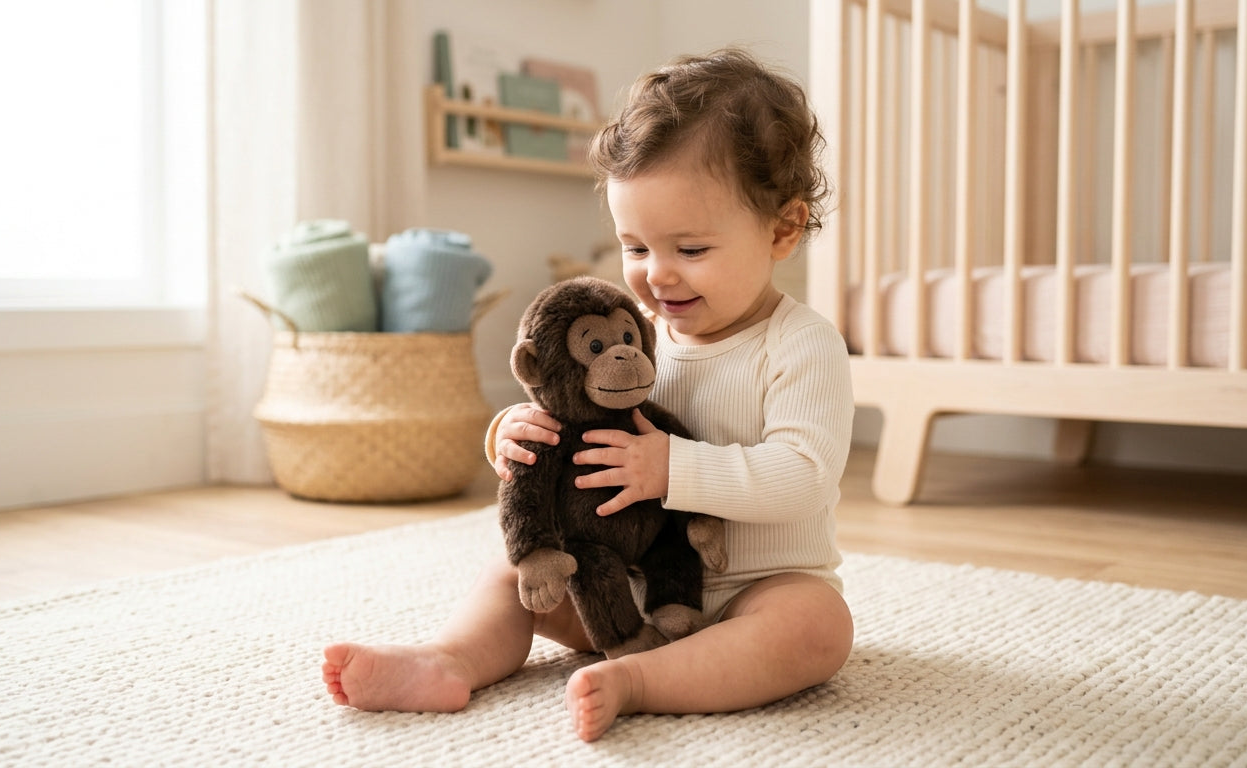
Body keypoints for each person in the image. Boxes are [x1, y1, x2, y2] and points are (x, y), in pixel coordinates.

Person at [322, 46, 855, 742]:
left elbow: (803, 480)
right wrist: (514, 433)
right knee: (520, 575)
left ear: (783, 228)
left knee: (817, 629)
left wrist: (671, 468)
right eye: (635, 247)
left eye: (690, 250)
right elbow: (573, 414)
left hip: (756, 590)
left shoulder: (802, 344)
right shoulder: (631, 340)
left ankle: (641, 680)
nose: (656, 276)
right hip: (624, 589)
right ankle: (449, 659)